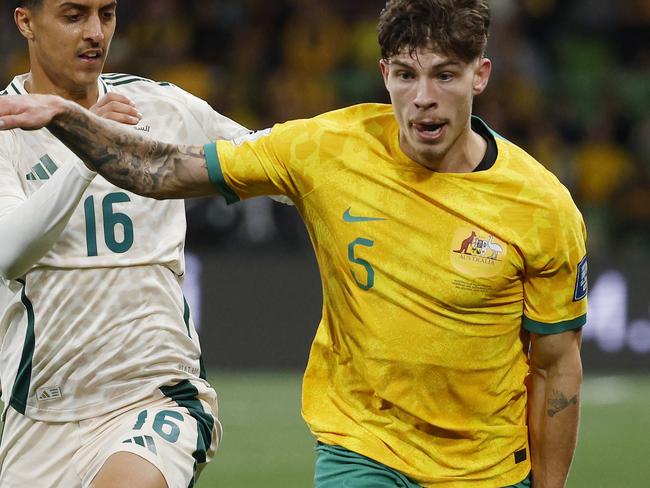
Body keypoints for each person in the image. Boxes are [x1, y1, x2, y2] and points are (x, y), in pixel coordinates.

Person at [0, 0, 588, 487]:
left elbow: (557, 367)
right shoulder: (327, 149)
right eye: (407, 75)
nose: (423, 97)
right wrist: (73, 122)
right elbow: (156, 174)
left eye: (445, 75)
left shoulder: (541, 205)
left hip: (479, 463)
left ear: (479, 76)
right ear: (385, 74)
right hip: (357, 447)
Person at [0, 1, 252, 487]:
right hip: (39, 413)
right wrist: (94, 149)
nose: (96, 33)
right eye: (74, 16)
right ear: (25, 22)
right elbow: (10, 252)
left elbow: (269, 161)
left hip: (153, 396)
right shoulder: (7, 125)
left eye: (107, 14)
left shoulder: (163, 108)